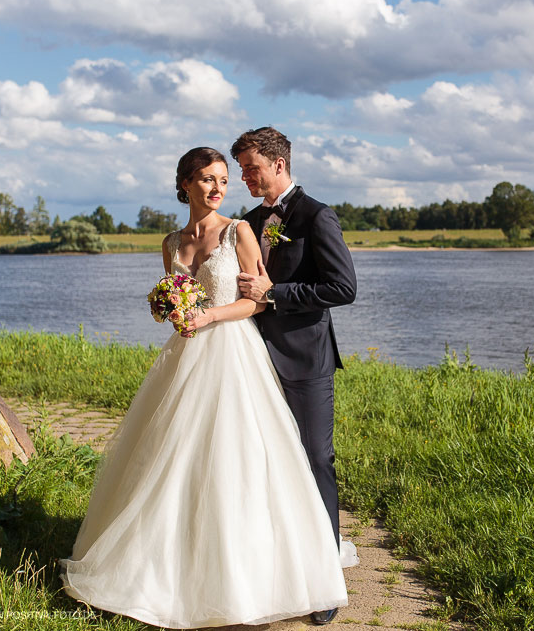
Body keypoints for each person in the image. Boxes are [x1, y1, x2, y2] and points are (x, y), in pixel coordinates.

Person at [60, 147, 348, 628]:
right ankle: (165, 567)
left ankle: (260, 572)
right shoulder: (171, 241)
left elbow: (257, 300)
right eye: (207, 179)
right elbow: (174, 292)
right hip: (185, 356)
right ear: (185, 185)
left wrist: (210, 314)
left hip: (232, 353)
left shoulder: (240, 231)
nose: (218, 187)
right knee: (171, 455)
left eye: (223, 180)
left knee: (236, 458)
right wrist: (170, 310)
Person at [232, 127, 357, 626]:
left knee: (316, 460)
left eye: (251, 168)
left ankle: (325, 578)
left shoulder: (315, 215)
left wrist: (275, 292)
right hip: (254, 359)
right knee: (267, 463)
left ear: (278, 163)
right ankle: (277, 566)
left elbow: (342, 287)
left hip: (305, 361)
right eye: (241, 169)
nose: (244, 177)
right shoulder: (247, 220)